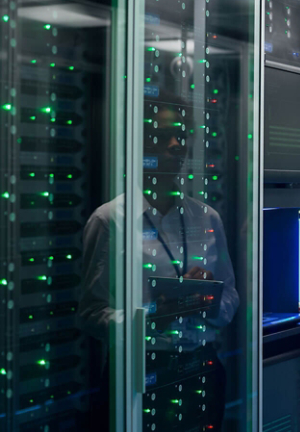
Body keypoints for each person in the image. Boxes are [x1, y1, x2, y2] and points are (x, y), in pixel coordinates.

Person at [78, 89, 238, 430]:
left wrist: (210, 299)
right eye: (163, 136)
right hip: (140, 371)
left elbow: (231, 296)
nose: (176, 145)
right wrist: (153, 317)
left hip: (202, 367)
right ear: (140, 144)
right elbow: (91, 314)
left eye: (181, 135)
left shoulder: (207, 217)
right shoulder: (110, 220)